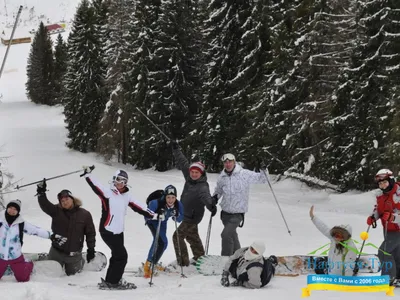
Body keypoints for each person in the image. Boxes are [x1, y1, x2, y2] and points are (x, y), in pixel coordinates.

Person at [82, 167, 158, 290]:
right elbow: (96, 186)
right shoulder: (107, 193)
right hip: (107, 230)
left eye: (124, 181)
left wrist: (154, 215)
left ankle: (111, 280)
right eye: (118, 180)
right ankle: (113, 282)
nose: (121, 183)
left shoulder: (126, 196)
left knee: (116, 256)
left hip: (119, 232)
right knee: (122, 256)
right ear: (114, 180)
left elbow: (140, 207)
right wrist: (88, 175)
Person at [36, 179, 96, 276]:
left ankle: (81, 260)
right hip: (56, 252)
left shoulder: (85, 214)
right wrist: (41, 193)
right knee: (51, 275)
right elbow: (45, 205)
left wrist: (91, 249)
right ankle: (47, 258)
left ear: (73, 199)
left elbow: (90, 233)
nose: (65, 202)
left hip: (74, 254)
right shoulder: (56, 211)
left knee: (74, 276)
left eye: (67, 199)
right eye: (62, 201)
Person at [171, 142, 217, 266]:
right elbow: (183, 162)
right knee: (192, 236)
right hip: (185, 214)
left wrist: (210, 205)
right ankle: (200, 257)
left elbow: (206, 197)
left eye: (197, 173)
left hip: (192, 216)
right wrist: (176, 149)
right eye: (192, 172)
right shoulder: (189, 178)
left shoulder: (202, 186)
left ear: (201, 174)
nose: (194, 174)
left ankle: (183, 263)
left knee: (177, 236)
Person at [213, 153, 268, 256]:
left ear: (234, 162)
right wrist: (214, 198)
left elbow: (262, 179)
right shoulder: (222, 176)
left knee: (225, 235)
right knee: (232, 236)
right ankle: (239, 257)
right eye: (225, 162)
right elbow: (219, 190)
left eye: (230, 162)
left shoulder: (244, 174)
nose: (228, 164)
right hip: (225, 214)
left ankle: (225, 260)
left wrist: (263, 169)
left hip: (237, 214)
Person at [0, 199, 67, 282]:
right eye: (10, 208)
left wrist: (51, 236)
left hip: (15, 257)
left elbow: (36, 230)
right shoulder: (1, 221)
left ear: (18, 211)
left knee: (23, 279)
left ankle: (28, 263)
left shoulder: (21, 223)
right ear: (7, 208)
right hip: (0, 256)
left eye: (15, 209)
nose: (12, 211)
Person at [367, 169, 400, 286]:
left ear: (391, 181)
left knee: (383, 252)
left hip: (398, 230)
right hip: (387, 229)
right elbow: (378, 210)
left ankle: (388, 278)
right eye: (380, 183)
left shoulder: (398, 194)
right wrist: (373, 217)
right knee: (395, 254)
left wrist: (393, 217)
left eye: (384, 182)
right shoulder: (381, 195)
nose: (382, 185)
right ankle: (397, 277)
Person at [143, 185, 184, 278]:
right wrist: (157, 216)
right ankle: (148, 264)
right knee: (160, 241)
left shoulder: (178, 204)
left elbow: (180, 219)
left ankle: (154, 263)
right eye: (168, 197)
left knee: (164, 243)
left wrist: (176, 215)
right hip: (152, 222)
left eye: (173, 197)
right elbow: (146, 215)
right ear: (164, 196)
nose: (170, 200)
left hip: (163, 222)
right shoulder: (155, 203)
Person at [309, 205, 357, 276]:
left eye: (339, 235)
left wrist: (347, 281)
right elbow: (323, 228)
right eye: (335, 234)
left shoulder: (350, 247)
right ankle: (325, 268)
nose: (336, 237)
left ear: (345, 236)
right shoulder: (334, 240)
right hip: (331, 271)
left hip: (339, 278)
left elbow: (349, 267)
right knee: (319, 263)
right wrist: (313, 217)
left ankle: (356, 267)